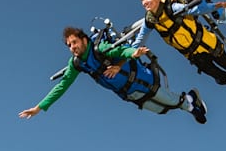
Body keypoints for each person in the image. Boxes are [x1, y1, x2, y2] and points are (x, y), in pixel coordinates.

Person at [20, 26, 207, 123]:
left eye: (74, 42)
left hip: (142, 80)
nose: (72, 48)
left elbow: (120, 51)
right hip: (128, 93)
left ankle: (190, 101)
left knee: (171, 101)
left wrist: (132, 54)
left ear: (84, 40)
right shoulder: (77, 64)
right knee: (161, 110)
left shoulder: (99, 49)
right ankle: (188, 103)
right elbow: (62, 86)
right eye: (69, 45)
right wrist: (39, 107)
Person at [137, 0, 226, 93]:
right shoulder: (150, 21)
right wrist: (128, 52)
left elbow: (196, 10)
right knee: (221, 77)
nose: (145, 2)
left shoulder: (172, 7)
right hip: (194, 55)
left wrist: (220, 5)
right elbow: (140, 39)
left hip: (206, 43)